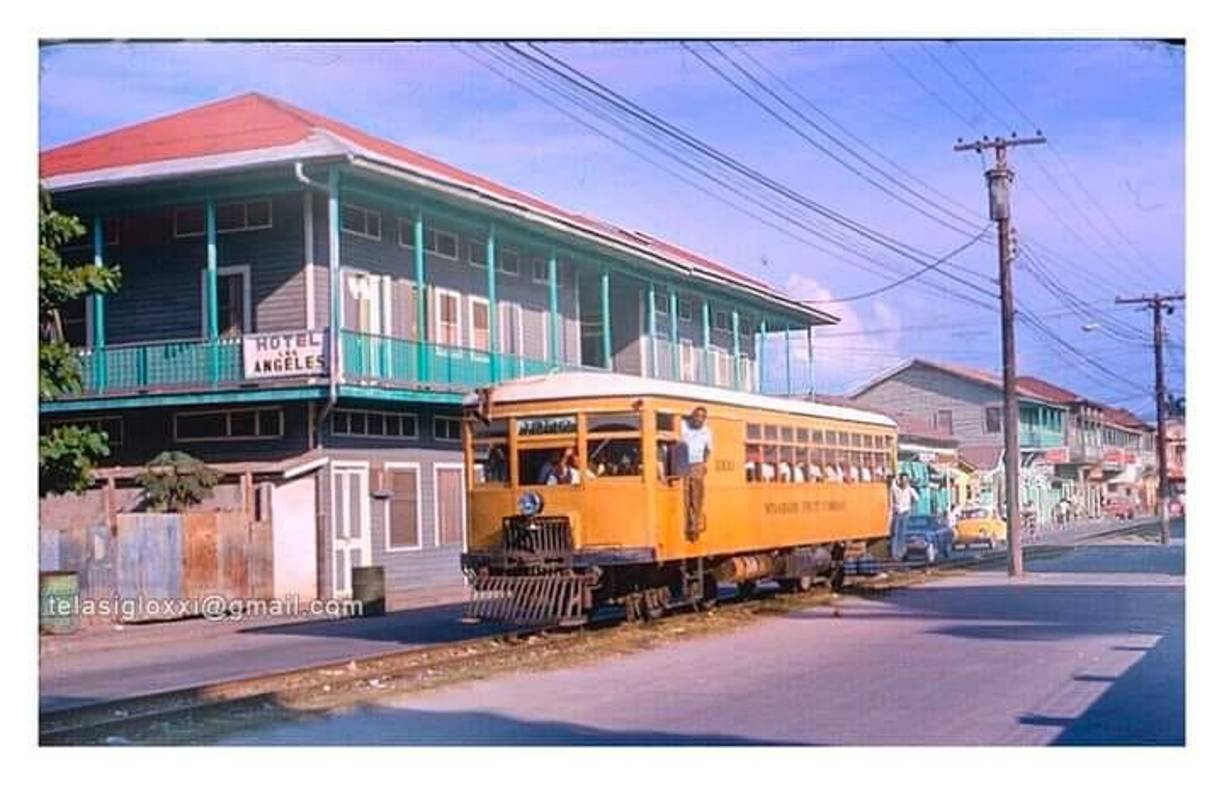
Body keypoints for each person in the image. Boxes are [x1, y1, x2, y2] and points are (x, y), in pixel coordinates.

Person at [680, 406, 714, 541]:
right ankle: (687, 523)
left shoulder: (707, 432)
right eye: (697, 416)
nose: (699, 419)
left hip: (697, 464)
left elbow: (708, 449)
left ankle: (694, 527)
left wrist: (704, 464)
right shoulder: (683, 426)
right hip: (682, 462)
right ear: (692, 417)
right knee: (684, 496)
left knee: (696, 497)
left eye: (702, 417)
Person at [889, 472, 920, 561]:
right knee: (895, 534)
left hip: (905, 513)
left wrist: (911, 508)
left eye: (906, 480)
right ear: (900, 481)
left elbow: (917, 499)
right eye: (903, 480)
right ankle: (894, 555)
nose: (904, 482)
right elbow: (892, 487)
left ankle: (901, 553)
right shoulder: (895, 489)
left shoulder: (910, 490)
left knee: (902, 534)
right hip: (896, 514)